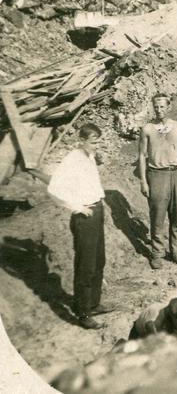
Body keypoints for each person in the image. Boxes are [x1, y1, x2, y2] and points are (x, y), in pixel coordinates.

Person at [47, 123, 114, 329]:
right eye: (94, 142)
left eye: (99, 141)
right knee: (85, 265)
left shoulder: (89, 156)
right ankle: (83, 313)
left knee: (98, 260)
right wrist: (76, 207)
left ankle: (93, 303)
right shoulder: (72, 159)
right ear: (81, 140)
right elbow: (54, 188)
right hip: (84, 217)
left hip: (96, 210)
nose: (97, 145)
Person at [138, 93, 177, 269]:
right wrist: (144, 182)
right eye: (156, 107)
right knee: (158, 216)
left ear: (168, 107)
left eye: (162, 106)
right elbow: (142, 156)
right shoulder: (147, 129)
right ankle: (157, 253)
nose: (159, 110)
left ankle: (175, 251)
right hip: (157, 174)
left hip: (176, 173)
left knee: (176, 215)